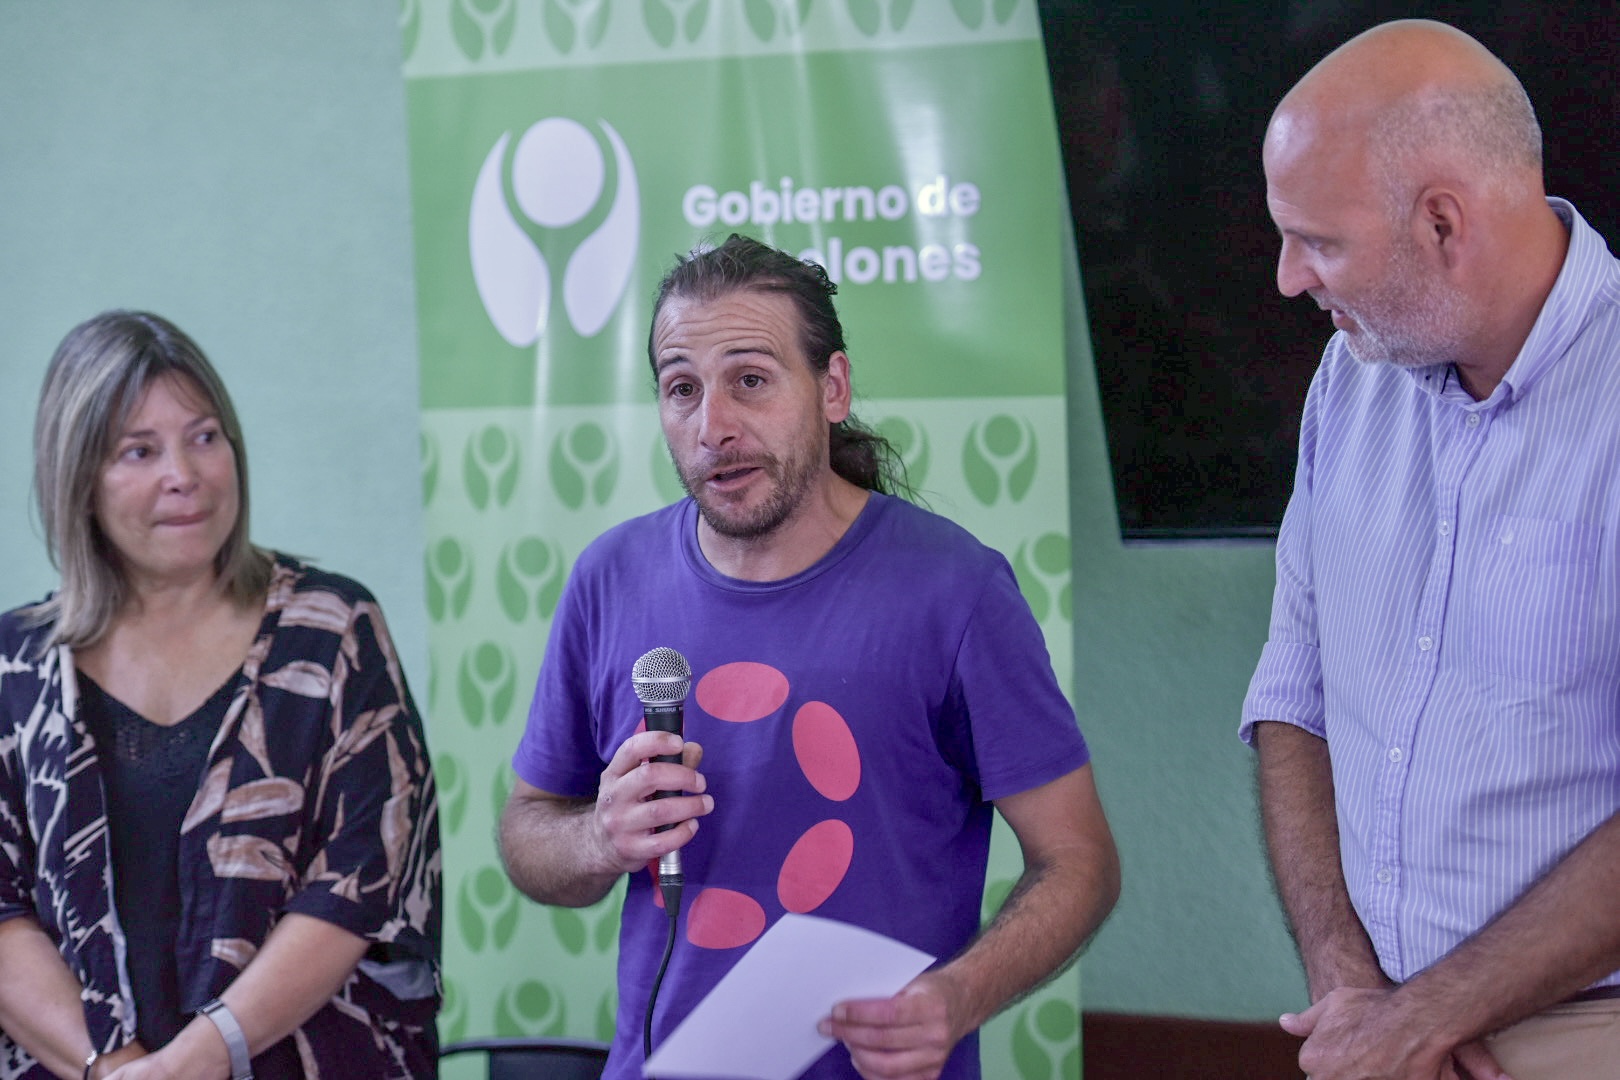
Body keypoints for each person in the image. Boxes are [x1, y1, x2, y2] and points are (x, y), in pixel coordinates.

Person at [498, 234, 1119, 1080]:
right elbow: (529, 830)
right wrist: (598, 839)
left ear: (833, 388)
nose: (713, 427)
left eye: (751, 380)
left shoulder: (956, 591)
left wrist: (959, 996)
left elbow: (1080, 861)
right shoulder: (610, 577)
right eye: (682, 389)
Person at [1242, 19, 1620, 1080]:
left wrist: (1431, 1014)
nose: (1288, 278)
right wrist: (1349, 984)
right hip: (1374, 1030)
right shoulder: (1348, 382)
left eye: (1319, 241)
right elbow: (1294, 695)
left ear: (1444, 222)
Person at [0, 312, 442, 1078]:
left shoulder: (334, 631)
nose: (185, 473)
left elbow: (361, 880)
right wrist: (116, 1070)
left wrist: (195, 1063)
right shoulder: (17, 666)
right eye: (139, 451)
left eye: (205, 437)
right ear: (79, 479)